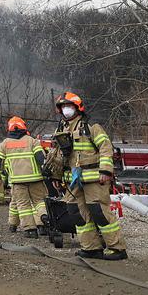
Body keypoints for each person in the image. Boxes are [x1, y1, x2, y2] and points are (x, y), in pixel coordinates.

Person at [45, 91, 127, 260]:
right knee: (76, 212)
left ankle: (117, 248)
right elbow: (57, 155)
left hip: (94, 178)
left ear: (78, 107)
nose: (66, 109)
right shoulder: (61, 129)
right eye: (63, 106)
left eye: (69, 106)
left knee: (99, 212)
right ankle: (91, 248)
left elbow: (106, 148)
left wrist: (106, 171)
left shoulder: (91, 127)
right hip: (73, 181)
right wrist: (56, 176)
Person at [0, 116, 48, 238]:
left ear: (9, 128)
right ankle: (44, 217)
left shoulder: (5, 144)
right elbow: (41, 158)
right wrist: (46, 172)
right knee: (39, 202)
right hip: (36, 179)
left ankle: (30, 230)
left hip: (17, 182)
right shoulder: (32, 141)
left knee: (23, 205)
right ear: (24, 127)